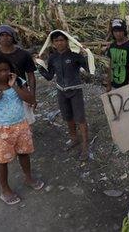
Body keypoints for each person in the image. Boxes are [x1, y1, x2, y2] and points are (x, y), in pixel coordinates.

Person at [0, 55, 43, 205]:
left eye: (6, 69)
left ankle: (28, 178)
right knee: (1, 161)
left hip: (21, 125)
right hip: (1, 130)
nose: (3, 73)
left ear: (11, 69)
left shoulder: (18, 81)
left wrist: (14, 86)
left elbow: (31, 99)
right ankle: (5, 189)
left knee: (24, 153)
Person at [0, 25, 37, 172]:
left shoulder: (23, 55)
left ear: (13, 37)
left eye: (8, 35)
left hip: (19, 91)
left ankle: (20, 147)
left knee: (24, 124)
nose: (5, 37)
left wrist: (32, 94)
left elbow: (31, 75)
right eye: (2, 35)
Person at [38, 31, 90, 161]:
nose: (59, 43)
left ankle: (85, 146)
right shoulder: (53, 58)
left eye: (61, 40)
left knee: (80, 118)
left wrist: (86, 55)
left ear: (67, 41)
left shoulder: (74, 56)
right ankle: (74, 139)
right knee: (67, 117)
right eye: (56, 41)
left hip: (75, 90)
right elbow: (50, 77)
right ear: (53, 44)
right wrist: (39, 66)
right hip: (61, 90)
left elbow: (89, 69)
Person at [105, 18, 129, 92]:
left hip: (125, 86)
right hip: (114, 85)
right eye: (115, 31)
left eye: (120, 31)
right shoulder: (112, 46)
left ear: (124, 31)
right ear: (112, 32)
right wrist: (108, 84)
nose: (118, 33)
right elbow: (110, 66)